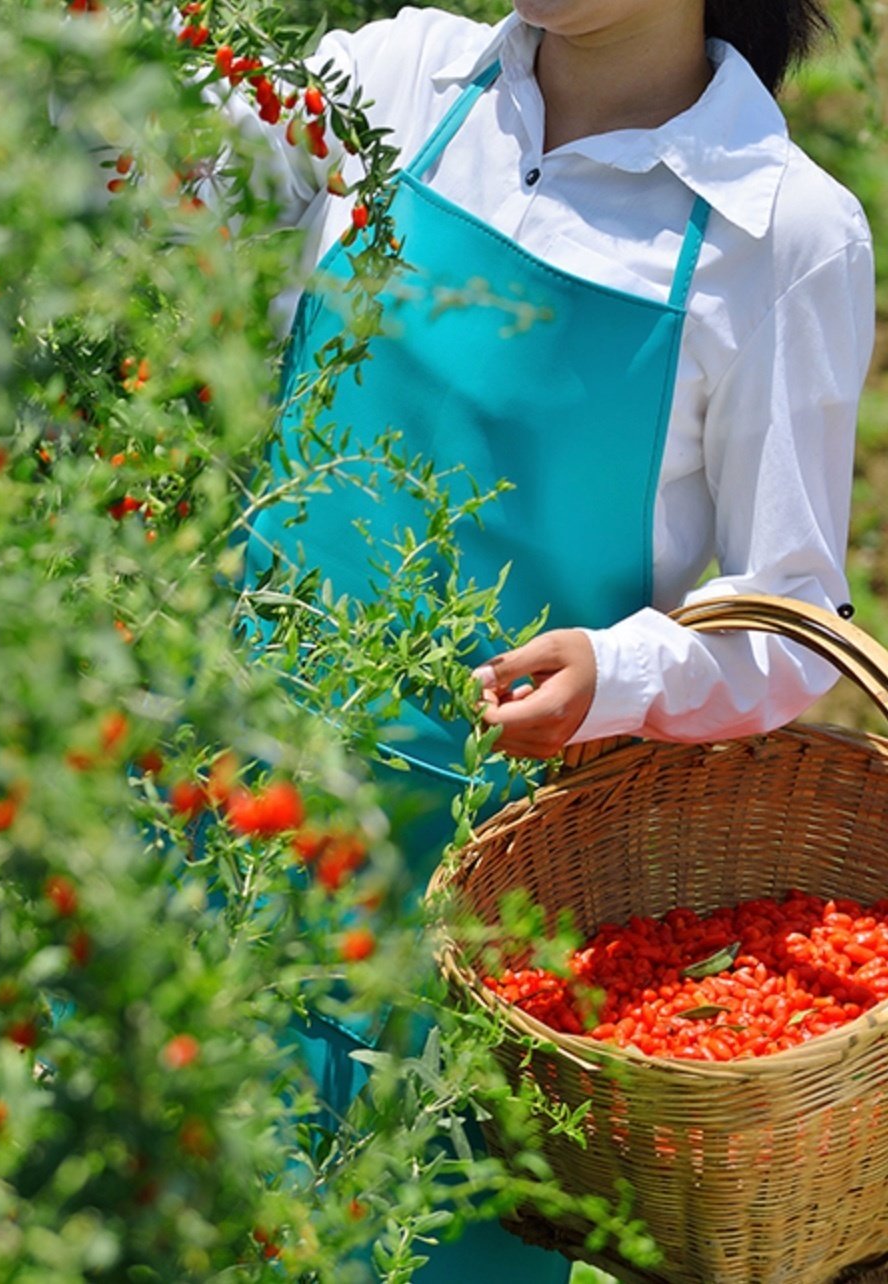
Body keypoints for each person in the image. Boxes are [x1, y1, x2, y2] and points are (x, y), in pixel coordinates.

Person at [229, 0, 876, 1277]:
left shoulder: (776, 231)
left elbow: (795, 618)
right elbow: (136, 200)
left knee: (401, 1238)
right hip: (225, 792)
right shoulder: (395, 80)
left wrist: (624, 673)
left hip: (471, 898)